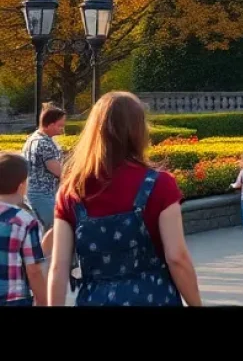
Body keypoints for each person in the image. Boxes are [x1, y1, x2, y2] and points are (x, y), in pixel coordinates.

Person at [48, 91, 202, 307]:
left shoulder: (72, 191)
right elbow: (177, 258)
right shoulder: (160, 185)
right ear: (138, 131)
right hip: (153, 296)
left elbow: (58, 267)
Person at [0, 152, 47, 306]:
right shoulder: (25, 221)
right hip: (13, 298)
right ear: (22, 186)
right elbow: (34, 270)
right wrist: (44, 301)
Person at [22, 103, 65, 233]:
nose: (62, 129)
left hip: (34, 192)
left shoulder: (34, 138)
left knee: (46, 231)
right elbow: (57, 170)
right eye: (60, 125)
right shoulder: (43, 143)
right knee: (58, 228)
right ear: (50, 125)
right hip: (43, 195)